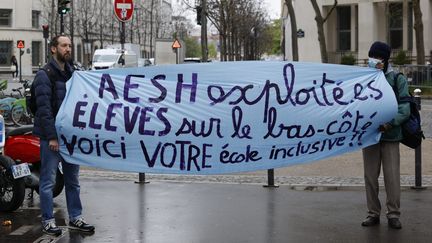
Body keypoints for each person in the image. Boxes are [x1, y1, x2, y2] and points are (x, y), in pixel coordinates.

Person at [33, 35, 95, 236]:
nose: (68, 49)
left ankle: (75, 217)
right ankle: (48, 220)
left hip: (70, 138)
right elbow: (43, 110)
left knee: (73, 180)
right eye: (63, 45)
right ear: (53, 49)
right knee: (48, 181)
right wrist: (51, 136)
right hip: (51, 137)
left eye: (69, 45)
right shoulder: (45, 74)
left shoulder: (73, 73)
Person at [361, 41, 410, 230]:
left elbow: (405, 108)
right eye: (371, 56)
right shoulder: (364, 78)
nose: (374, 60)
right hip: (370, 135)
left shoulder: (397, 78)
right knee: (370, 177)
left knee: (392, 177)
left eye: (377, 57)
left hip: (390, 135)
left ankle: (393, 214)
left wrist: (390, 124)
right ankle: (373, 213)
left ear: (385, 59)